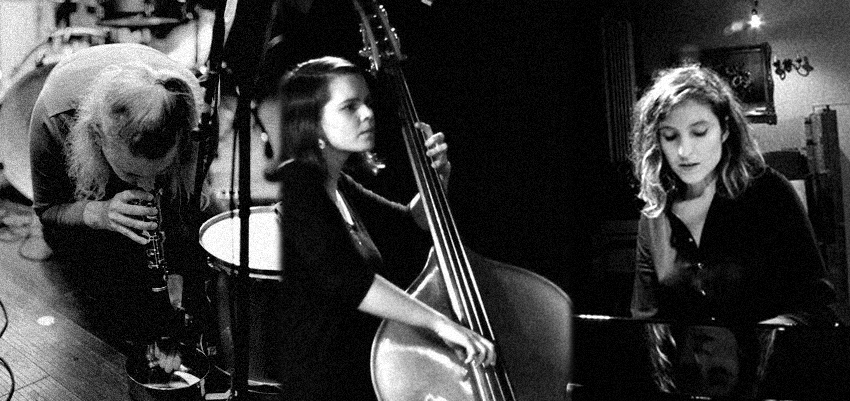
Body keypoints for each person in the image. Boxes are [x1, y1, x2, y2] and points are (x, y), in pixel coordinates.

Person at [268, 56, 496, 399]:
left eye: (367, 103)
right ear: (312, 123)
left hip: (353, 376)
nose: (367, 114)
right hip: (322, 385)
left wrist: (437, 180)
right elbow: (351, 281)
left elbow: (409, 223)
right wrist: (440, 323)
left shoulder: (339, 185)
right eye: (349, 107)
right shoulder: (300, 185)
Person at [29, 43, 210, 366]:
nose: (146, 186)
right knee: (103, 285)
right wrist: (98, 213)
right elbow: (48, 211)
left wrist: (177, 271)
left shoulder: (189, 116)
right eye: (132, 174)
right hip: (83, 193)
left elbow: (188, 207)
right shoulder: (52, 121)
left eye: (159, 173)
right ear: (97, 137)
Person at [629, 64, 837, 326]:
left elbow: (816, 303)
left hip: (763, 352)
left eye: (699, 132)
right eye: (670, 136)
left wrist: (761, 334)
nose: (684, 151)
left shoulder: (769, 193)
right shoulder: (655, 213)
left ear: (725, 130)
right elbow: (646, 318)